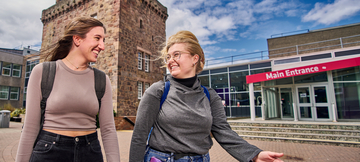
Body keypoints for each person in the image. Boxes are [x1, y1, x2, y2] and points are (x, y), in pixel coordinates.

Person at [129, 30, 284, 162]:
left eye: (176, 55)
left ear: (195, 58)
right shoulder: (158, 91)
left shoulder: (209, 95)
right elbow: (139, 136)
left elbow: (223, 132)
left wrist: (255, 154)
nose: (171, 61)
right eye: (168, 57)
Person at [16, 17, 120, 162]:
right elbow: (30, 128)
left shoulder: (102, 80)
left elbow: (108, 130)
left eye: (103, 40)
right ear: (77, 39)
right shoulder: (43, 72)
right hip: (49, 152)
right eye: (97, 38)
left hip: (90, 152)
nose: (102, 46)